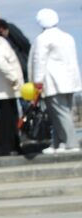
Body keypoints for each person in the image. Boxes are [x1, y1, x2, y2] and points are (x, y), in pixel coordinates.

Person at [31, 8, 81, 153]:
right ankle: (58, 142)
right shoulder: (67, 36)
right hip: (70, 81)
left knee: (59, 113)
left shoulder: (42, 38)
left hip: (53, 81)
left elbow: (39, 61)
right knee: (64, 112)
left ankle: (71, 143)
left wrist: (37, 82)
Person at [0, 21, 25, 156]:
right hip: (7, 88)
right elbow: (0, 61)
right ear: (2, 29)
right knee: (9, 118)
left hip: (1, 88)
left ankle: (11, 145)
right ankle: (8, 146)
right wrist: (13, 77)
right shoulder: (1, 44)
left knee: (7, 117)